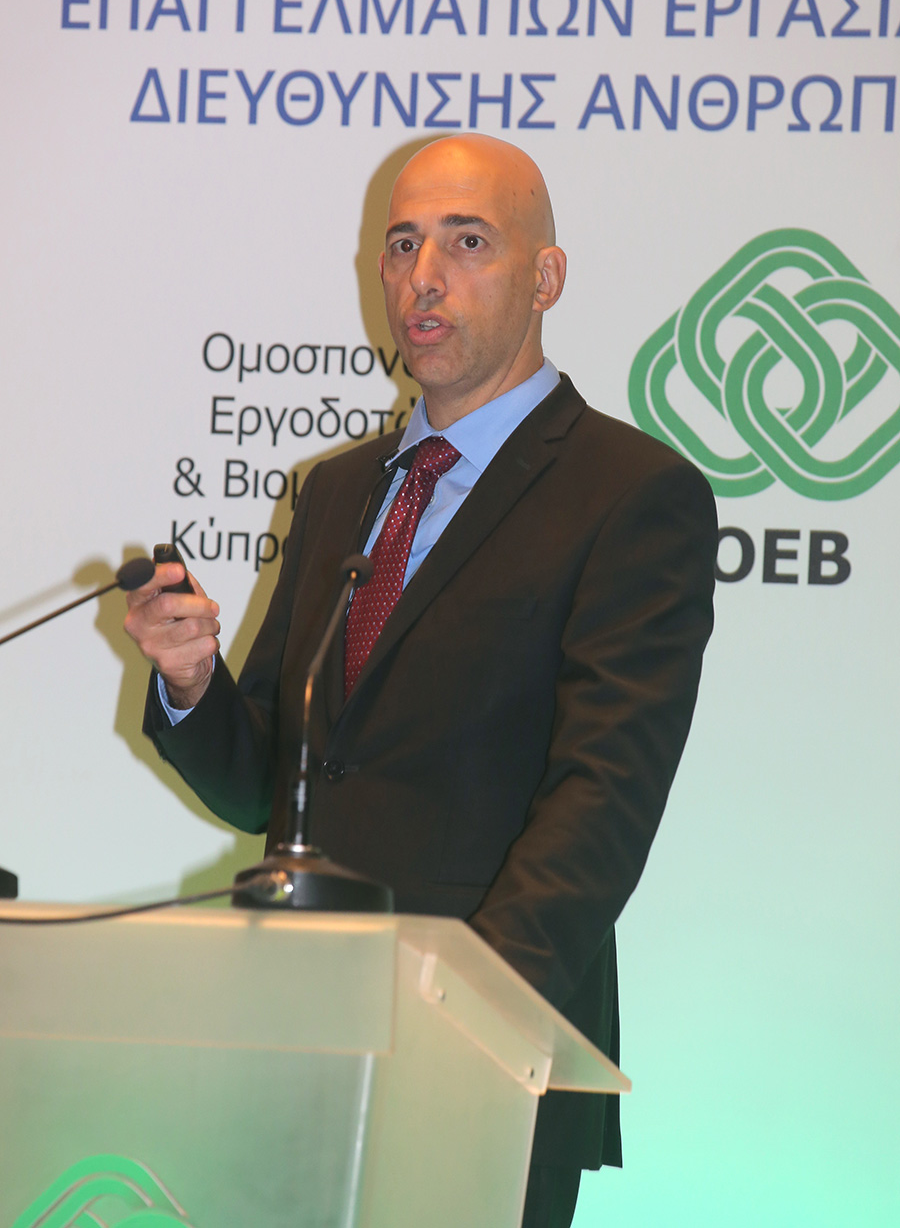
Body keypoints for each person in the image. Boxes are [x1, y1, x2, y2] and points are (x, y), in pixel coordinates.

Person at [125, 134, 717, 1228]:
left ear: (545, 277)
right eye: (402, 245)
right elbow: (272, 788)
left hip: (482, 1053)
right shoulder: (341, 490)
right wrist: (193, 683)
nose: (423, 277)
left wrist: (462, 1014)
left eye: (467, 242)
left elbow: (604, 797)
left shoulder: (630, 492)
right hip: (297, 1034)